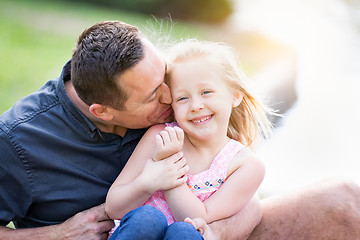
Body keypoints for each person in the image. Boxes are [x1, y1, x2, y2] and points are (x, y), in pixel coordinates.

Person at [0, 20, 359, 240]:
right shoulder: (17, 141)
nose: (175, 100)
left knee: (345, 199)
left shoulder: (144, 80)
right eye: (156, 95)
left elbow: (235, 181)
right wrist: (56, 235)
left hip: (196, 230)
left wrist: (226, 224)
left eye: (165, 77)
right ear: (103, 111)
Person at [105, 39, 271, 239]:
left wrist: (168, 167)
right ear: (172, 104)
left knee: (185, 232)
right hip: (138, 233)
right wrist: (148, 182)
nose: (196, 106)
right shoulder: (160, 136)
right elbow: (114, 207)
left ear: (235, 96)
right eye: (182, 98)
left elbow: (196, 216)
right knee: (148, 218)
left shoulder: (245, 165)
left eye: (206, 92)